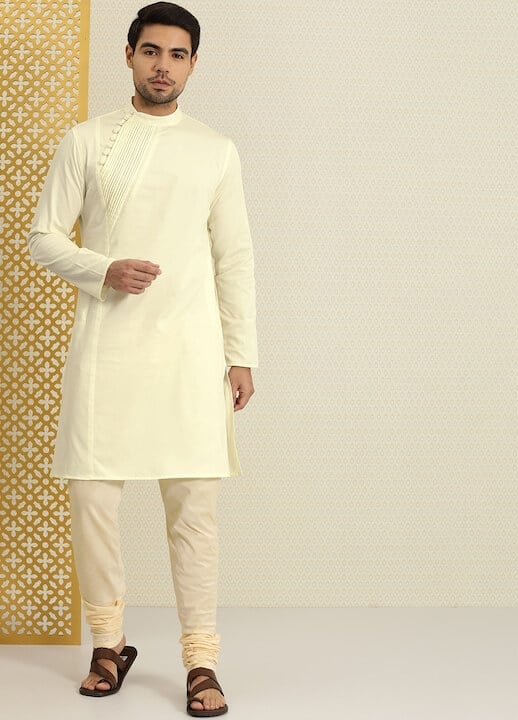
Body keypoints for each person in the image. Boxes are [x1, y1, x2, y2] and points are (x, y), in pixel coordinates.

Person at [26, 2, 259, 716]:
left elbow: (233, 256)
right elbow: (42, 238)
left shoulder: (215, 149)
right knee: (93, 501)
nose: (163, 66)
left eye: (177, 54)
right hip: (108, 349)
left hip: (190, 352)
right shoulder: (87, 140)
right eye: (151, 51)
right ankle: (109, 644)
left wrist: (241, 354)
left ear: (193, 64)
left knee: (194, 509)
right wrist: (104, 268)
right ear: (128, 54)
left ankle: (201, 660)